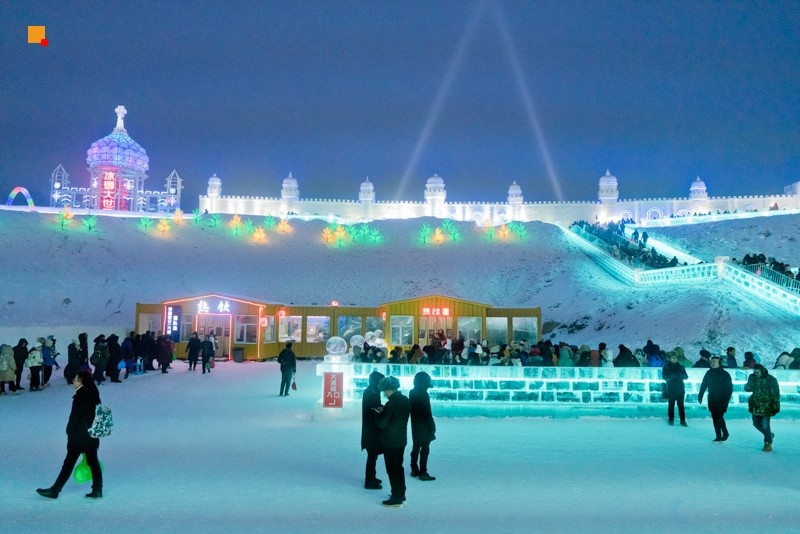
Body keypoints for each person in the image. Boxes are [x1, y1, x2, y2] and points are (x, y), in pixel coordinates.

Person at [36, 370, 103, 500]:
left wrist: (69, 430)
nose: (73, 382)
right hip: (91, 435)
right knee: (93, 462)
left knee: (68, 463)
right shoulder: (94, 394)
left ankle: (55, 490)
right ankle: (97, 490)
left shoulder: (80, 396)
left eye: (75, 379)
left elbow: (75, 417)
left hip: (79, 436)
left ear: (81, 382)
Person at [376, 375, 410, 507]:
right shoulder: (405, 400)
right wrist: (385, 410)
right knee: (398, 468)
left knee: (392, 470)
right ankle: (401, 494)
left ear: (388, 390)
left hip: (390, 442)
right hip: (401, 439)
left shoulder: (390, 404)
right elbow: (398, 416)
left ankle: (396, 497)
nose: (384, 394)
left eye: (384, 391)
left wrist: (378, 414)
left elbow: (383, 424)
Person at [744, 364, 780, 452]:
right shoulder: (753, 377)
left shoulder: (771, 379)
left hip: (767, 406)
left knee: (765, 425)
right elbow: (747, 389)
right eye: (754, 372)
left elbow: (775, 393)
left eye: (757, 372)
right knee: (756, 424)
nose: (756, 374)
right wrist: (750, 382)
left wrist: (775, 405)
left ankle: (768, 443)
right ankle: (769, 435)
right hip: (755, 405)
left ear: (762, 371)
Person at [698, 356, 733, 442]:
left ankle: (724, 433)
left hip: (722, 399)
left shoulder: (725, 374)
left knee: (719, 416)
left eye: (714, 361)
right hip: (712, 398)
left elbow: (729, 389)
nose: (712, 363)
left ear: (719, 363)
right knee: (715, 417)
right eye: (711, 361)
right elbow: (704, 384)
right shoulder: (708, 373)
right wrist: (700, 395)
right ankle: (718, 435)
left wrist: (726, 401)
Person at [409, 371, 436, 481]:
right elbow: (427, 412)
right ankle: (423, 472)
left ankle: (414, 469)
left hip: (415, 425)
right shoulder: (424, 395)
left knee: (415, 447)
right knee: (425, 449)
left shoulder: (412, 392)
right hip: (424, 425)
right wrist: (432, 426)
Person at [361, 370, 385, 490]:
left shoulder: (371, 391)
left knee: (372, 455)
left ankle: (372, 477)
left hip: (370, 428)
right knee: (372, 455)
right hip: (372, 429)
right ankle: (369, 480)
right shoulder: (372, 393)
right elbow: (375, 410)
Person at [662, 352, 688, 426]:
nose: (674, 359)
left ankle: (683, 420)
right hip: (671, 388)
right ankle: (671, 419)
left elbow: (686, 376)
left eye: (675, 357)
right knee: (671, 405)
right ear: (669, 358)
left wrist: (680, 375)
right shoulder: (666, 367)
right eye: (673, 357)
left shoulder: (681, 367)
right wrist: (672, 376)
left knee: (681, 405)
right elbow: (664, 377)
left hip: (680, 388)